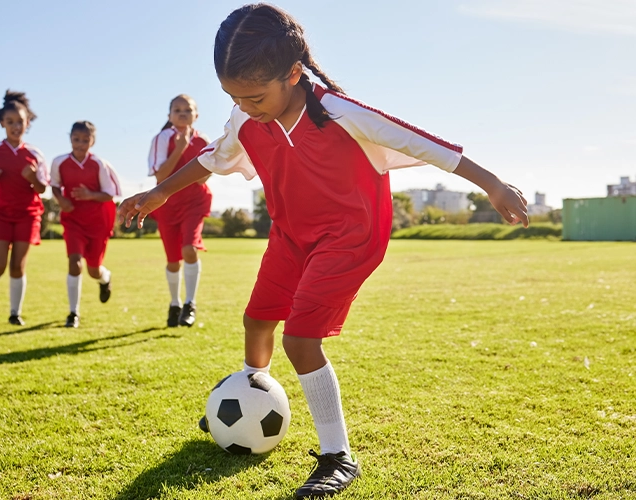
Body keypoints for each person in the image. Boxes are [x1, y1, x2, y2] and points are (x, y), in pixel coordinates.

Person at [118, 4, 529, 498]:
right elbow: (212, 158)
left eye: (254, 96)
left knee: (301, 339)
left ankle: (338, 455)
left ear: (293, 73)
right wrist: (161, 193)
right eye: (233, 97)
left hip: (350, 237)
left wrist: (493, 184)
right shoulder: (245, 118)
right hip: (291, 236)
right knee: (257, 321)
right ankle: (251, 398)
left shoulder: (340, 112)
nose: (245, 107)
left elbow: (427, 145)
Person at [0, 90, 49, 326]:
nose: (16, 127)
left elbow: (43, 188)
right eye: (10, 122)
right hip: (0, 213)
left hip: (27, 214)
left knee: (17, 266)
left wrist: (34, 177)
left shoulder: (35, 154)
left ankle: (15, 313)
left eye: (20, 122)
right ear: (2, 123)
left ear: (28, 122)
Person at [147, 94, 212, 328]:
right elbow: (161, 176)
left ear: (196, 115)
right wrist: (181, 147)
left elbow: (204, 175)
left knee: (189, 249)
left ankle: (190, 304)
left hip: (194, 203)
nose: (183, 113)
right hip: (166, 205)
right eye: (177, 110)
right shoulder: (162, 139)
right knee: (173, 261)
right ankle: (174, 303)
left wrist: (205, 168)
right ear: (169, 116)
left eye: (188, 109)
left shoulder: (203, 140)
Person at [50, 121, 121, 328]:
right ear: (70, 138)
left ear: (93, 141)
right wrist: (61, 200)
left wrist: (90, 195)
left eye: (85, 140)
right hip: (73, 221)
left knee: (93, 269)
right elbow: (54, 186)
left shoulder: (99, 164)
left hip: (97, 222)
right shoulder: (59, 162)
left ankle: (105, 279)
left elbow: (109, 194)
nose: (80, 144)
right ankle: (73, 313)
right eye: (76, 139)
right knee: (75, 263)